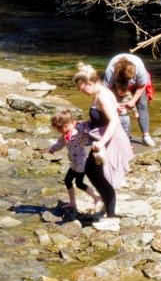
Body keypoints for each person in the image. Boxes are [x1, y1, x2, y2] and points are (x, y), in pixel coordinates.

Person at [75, 63, 132, 205]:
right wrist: (84, 123)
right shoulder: (98, 94)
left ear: (89, 83)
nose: (81, 92)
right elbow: (99, 116)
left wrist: (101, 143)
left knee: (104, 177)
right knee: (89, 169)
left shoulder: (102, 97)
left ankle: (111, 216)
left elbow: (114, 121)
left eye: (81, 88)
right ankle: (103, 201)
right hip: (103, 138)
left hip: (109, 139)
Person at [47, 108, 106, 216]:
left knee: (79, 183)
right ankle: (73, 202)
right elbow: (60, 143)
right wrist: (53, 149)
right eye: (60, 131)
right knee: (68, 180)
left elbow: (90, 128)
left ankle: (97, 198)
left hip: (81, 162)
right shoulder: (65, 135)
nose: (63, 131)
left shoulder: (80, 131)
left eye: (63, 128)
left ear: (68, 124)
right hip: (74, 162)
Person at [104, 52, 155, 146]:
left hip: (138, 85)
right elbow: (105, 90)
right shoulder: (111, 71)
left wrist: (133, 100)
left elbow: (142, 85)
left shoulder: (139, 67)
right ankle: (119, 136)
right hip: (118, 85)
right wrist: (114, 102)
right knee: (118, 109)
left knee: (142, 104)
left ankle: (146, 136)